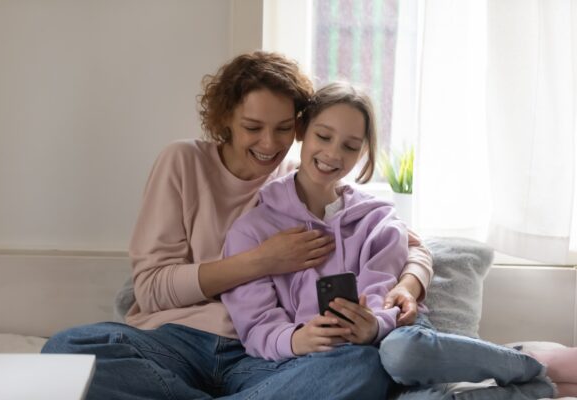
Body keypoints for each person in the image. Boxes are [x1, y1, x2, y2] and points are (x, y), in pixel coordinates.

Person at [41, 51, 433, 400]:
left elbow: (406, 241)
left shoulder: (301, 178)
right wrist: (261, 261)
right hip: (174, 342)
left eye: (283, 128)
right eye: (253, 126)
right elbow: (150, 288)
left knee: (359, 367)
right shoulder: (182, 163)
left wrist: (406, 285)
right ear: (225, 118)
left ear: (299, 127)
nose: (269, 142)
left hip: (259, 355)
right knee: (67, 349)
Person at [221, 82, 574, 400]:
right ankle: (536, 387)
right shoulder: (252, 230)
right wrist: (299, 339)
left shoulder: (377, 219)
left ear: (363, 152)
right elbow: (257, 327)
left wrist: (374, 324)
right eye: (323, 136)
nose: (333, 153)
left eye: (350, 145)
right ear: (303, 132)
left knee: (401, 354)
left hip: (392, 338)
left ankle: (531, 365)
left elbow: (386, 294)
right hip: (326, 361)